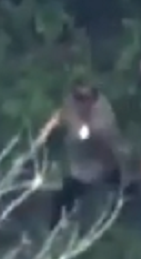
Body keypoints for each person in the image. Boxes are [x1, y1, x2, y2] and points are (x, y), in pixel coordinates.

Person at [38, 81, 133, 228]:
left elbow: (105, 137)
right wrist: (44, 135)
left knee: (117, 181)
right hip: (83, 163)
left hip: (103, 161)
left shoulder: (101, 110)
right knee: (67, 192)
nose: (83, 102)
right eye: (80, 97)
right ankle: (58, 223)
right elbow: (59, 116)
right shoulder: (72, 104)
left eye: (87, 98)